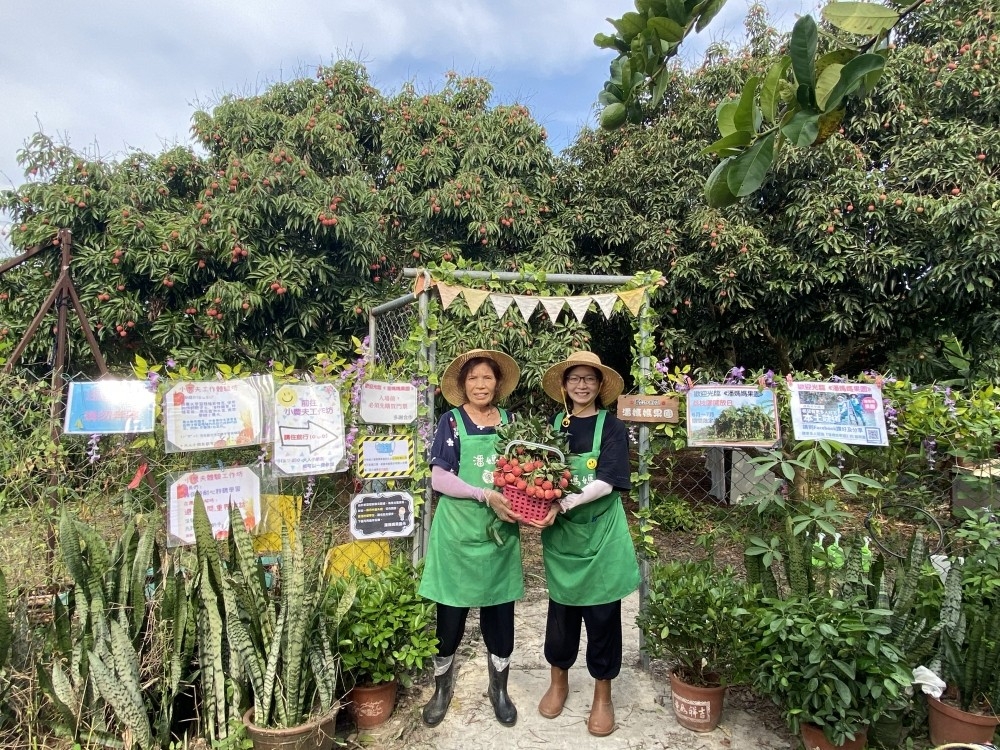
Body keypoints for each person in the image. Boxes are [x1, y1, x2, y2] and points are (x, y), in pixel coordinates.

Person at [529, 351, 640, 737]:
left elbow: (608, 480)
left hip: (601, 535)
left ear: (599, 386)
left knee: (603, 617)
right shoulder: (555, 425)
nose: (581, 385)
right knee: (561, 616)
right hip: (562, 537)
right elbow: (536, 472)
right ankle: (558, 681)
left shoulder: (612, 427)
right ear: (564, 386)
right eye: (574, 378)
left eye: (589, 379)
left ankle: (602, 695)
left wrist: (567, 501)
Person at [418, 348, 524, 728]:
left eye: (487, 378)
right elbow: (439, 478)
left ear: (498, 384)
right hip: (458, 533)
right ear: (463, 385)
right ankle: (442, 688)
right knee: (450, 617)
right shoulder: (450, 421)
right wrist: (485, 495)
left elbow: (524, 471)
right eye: (473, 378)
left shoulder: (511, 423)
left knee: (500, 615)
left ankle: (499, 688)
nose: (481, 384)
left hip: (499, 534)